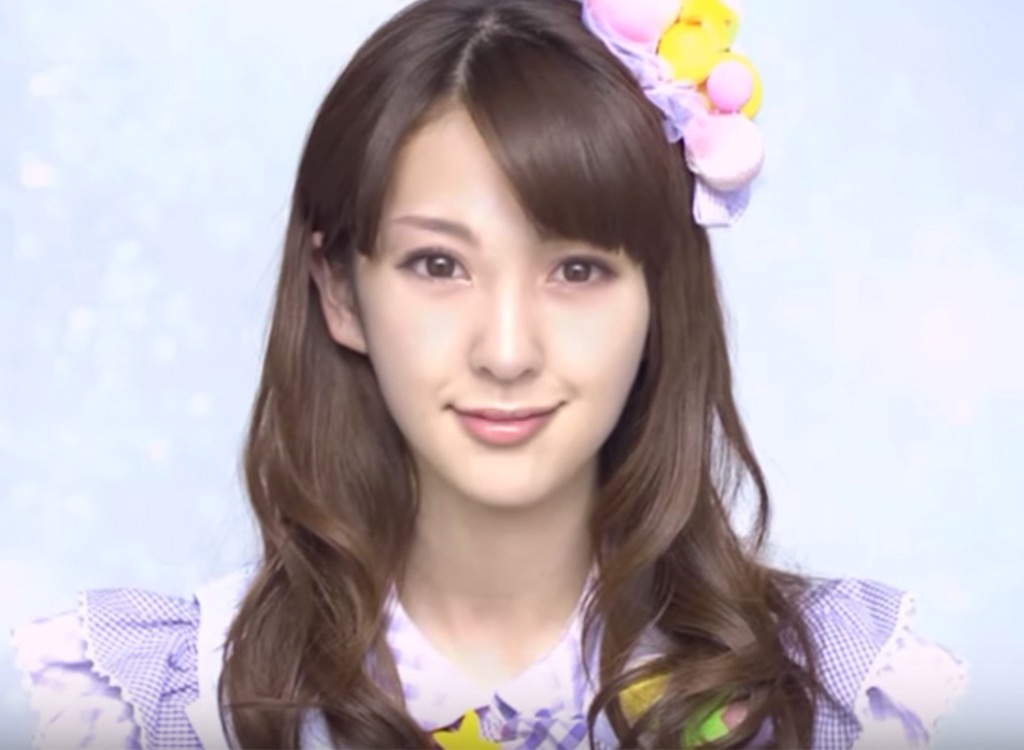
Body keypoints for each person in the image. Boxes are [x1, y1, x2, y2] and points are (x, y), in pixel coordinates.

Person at [11, 0, 966, 747]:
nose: (507, 352)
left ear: (659, 300)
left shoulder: (843, 699)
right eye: (439, 265)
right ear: (340, 292)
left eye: (577, 270)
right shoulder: (160, 704)